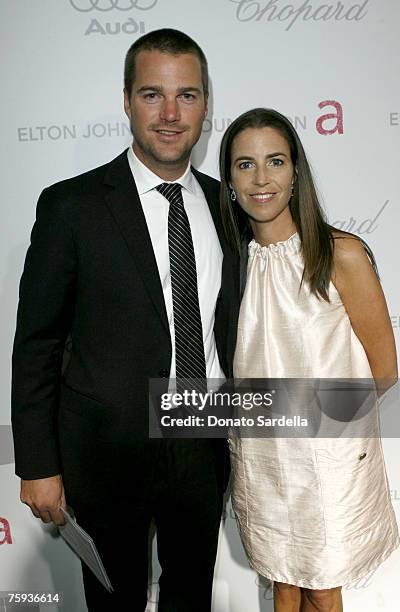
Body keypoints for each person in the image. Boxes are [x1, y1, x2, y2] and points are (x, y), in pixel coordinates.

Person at [11, 29, 237, 612]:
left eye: (186, 95)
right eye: (151, 94)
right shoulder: (71, 206)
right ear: (127, 100)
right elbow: (36, 343)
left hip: (203, 441)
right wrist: (38, 465)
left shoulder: (228, 206)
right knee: (114, 603)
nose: (169, 113)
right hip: (104, 454)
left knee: (192, 598)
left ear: (206, 105)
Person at [219, 107, 399, 612]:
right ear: (229, 179)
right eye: (245, 164)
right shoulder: (231, 263)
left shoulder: (340, 254)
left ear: (296, 172)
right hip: (262, 457)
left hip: (329, 457)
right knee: (282, 582)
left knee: (321, 585)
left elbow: (384, 369)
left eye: (275, 161)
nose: (261, 178)